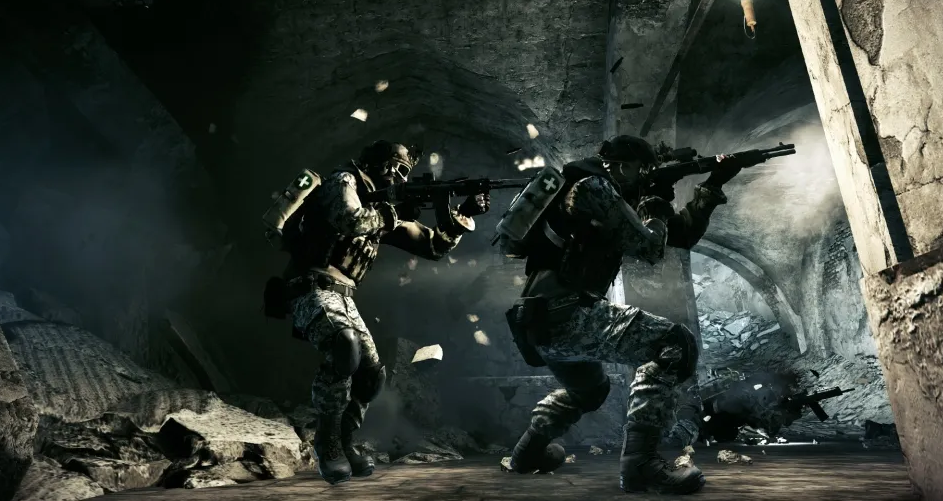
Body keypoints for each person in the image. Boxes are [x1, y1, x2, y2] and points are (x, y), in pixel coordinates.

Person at [500, 135, 741, 494]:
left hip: (545, 321)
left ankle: (526, 453)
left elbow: (680, 235)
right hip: (567, 313)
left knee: (589, 391)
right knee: (675, 344)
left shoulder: (610, 194)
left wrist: (713, 184)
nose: (644, 177)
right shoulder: (592, 187)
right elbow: (650, 247)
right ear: (622, 167)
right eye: (642, 170)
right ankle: (639, 466)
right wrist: (656, 201)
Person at [278, 140, 489, 484]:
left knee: (372, 374)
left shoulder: (380, 207)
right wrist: (394, 211)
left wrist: (460, 216)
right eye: (398, 168)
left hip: (344, 296)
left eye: (406, 172)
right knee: (344, 346)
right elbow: (351, 220)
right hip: (309, 287)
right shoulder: (344, 182)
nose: (401, 177)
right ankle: (327, 442)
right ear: (377, 163)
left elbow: (433, 245)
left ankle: (345, 439)